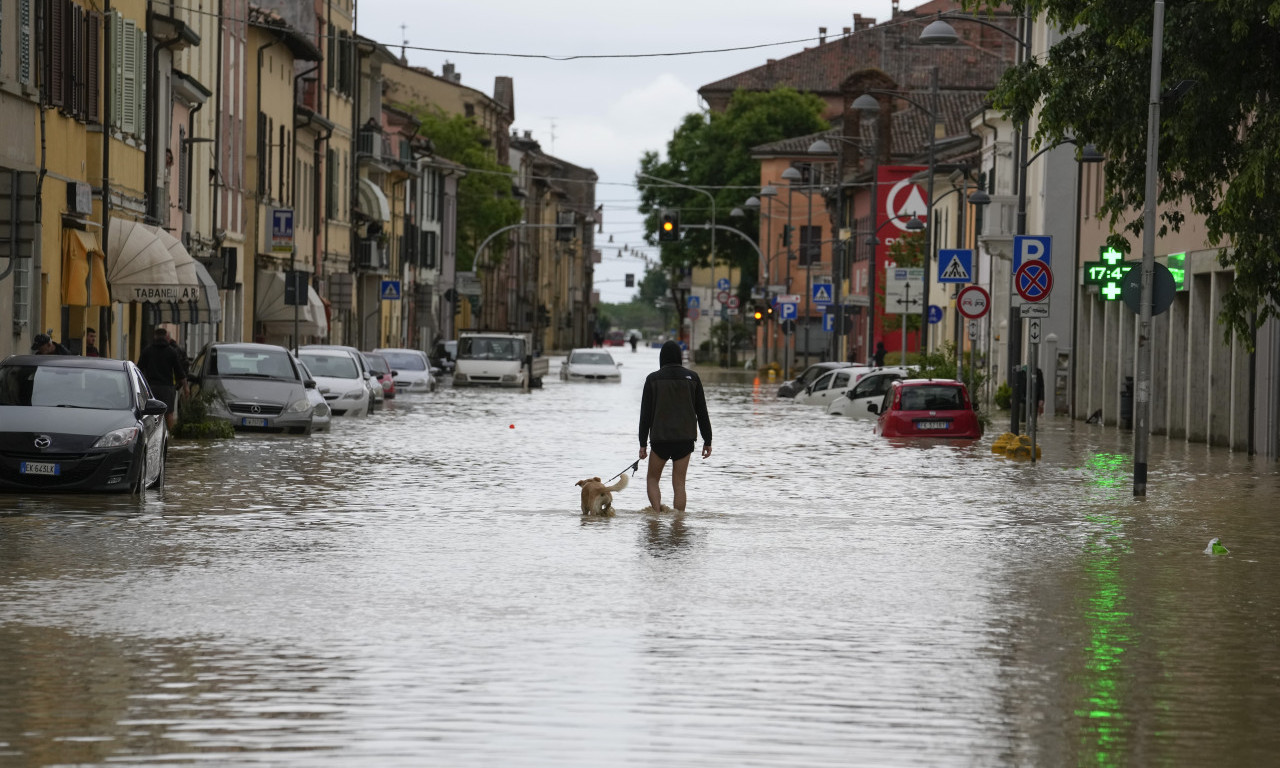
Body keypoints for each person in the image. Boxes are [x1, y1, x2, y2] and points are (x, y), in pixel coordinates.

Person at [638, 340, 713, 512]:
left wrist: (642, 443)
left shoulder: (652, 379)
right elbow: (702, 411)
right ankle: (679, 525)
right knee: (679, 483)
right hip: (685, 439)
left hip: (660, 439)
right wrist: (707, 440)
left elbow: (645, 415)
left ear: (661, 357)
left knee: (652, 479)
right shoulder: (692, 378)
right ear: (679, 357)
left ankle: (656, 515)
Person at [137, 328, 187, 429]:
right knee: (169, 413)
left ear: (155, 336)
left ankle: (150, 433)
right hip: (167, 388)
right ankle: (169, 437)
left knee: (149, 413)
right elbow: (179, 371)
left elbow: (139, 369)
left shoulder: (147, 350)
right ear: (166, 337)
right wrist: (186, 387)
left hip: (150, 388)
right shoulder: (172, 351)